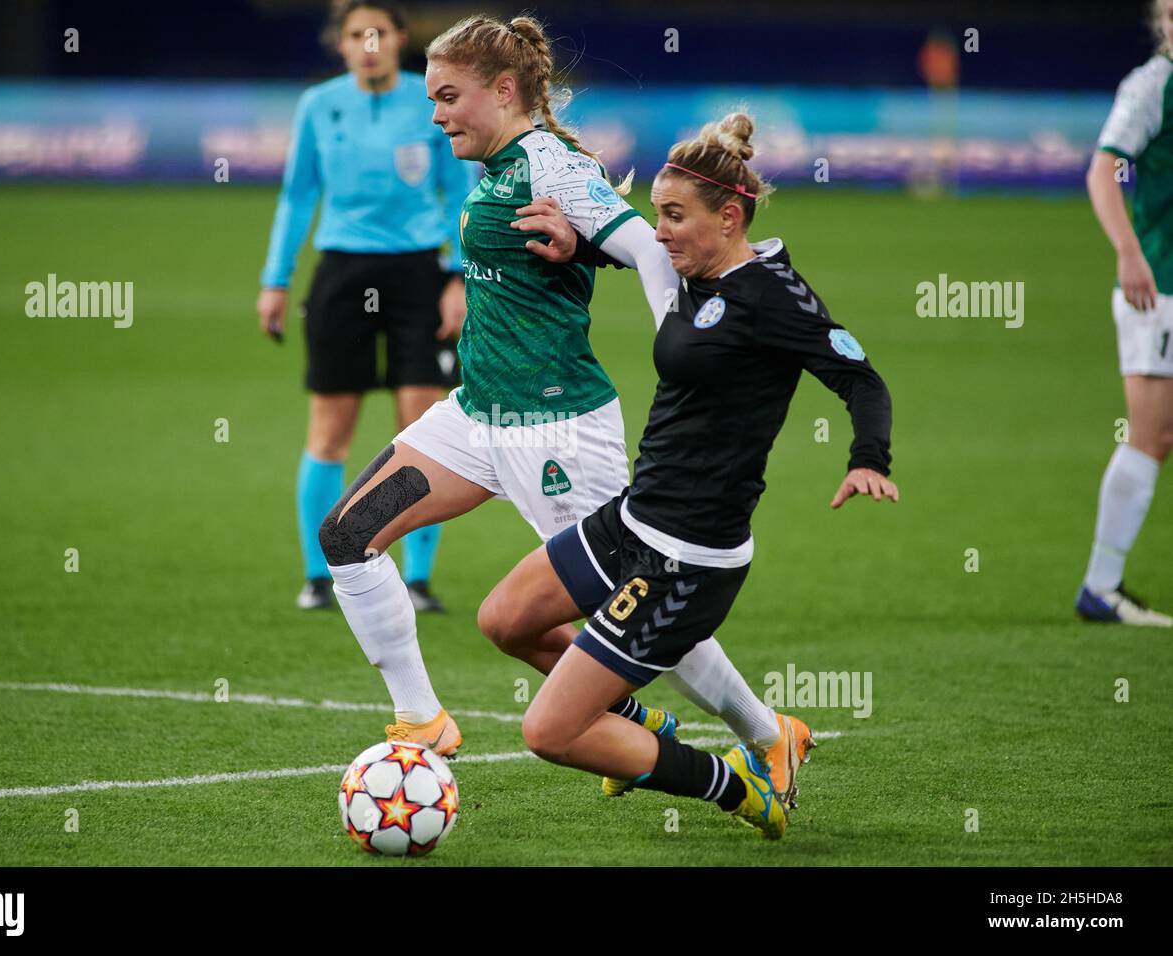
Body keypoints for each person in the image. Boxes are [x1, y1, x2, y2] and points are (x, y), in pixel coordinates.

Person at [318, 15, 813, 802]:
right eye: (431, 98)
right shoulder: (501, 164)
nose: (436, 114)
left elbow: (649, 246)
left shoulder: (549, 162)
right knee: (347, 536)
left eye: (449, 96)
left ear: (504, 90)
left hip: (557, 432)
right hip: (479, 417)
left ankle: (766, 732)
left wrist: (680, 349)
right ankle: (422, 721)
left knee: (642, 607)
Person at [503, 111, 897, 838]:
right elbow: (623, 240)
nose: (659, 231)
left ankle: (739, 785)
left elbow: (862, 379)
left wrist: (868, 459)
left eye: (675, 215)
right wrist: (576, 244)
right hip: (633, 516)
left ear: (730, 216)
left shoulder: (774, 296)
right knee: (507, 619)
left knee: (549, 732)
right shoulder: (693, 270)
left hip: (687, 556)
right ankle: (638, 732)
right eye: (658, 213)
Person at [257, 1, 475, 613]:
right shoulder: (318, 105)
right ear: (343, 44)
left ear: (401, 39)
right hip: (341, 275)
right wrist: (275, 280)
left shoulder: (430, 101)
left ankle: (419, 578)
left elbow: (459, 189)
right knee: (331, 429)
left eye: (379, 32)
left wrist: (458, 275)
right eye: (357, 34)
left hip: (419, 276)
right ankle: (318, 575)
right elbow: (297, 196)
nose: (369, 43)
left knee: (423, 426)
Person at [1076, 0, 1173, 627]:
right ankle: (1102, 586)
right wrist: (1129, 252)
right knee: (1153, 434)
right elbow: (1102, 173)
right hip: (1159, 287)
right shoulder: (1153, 85)